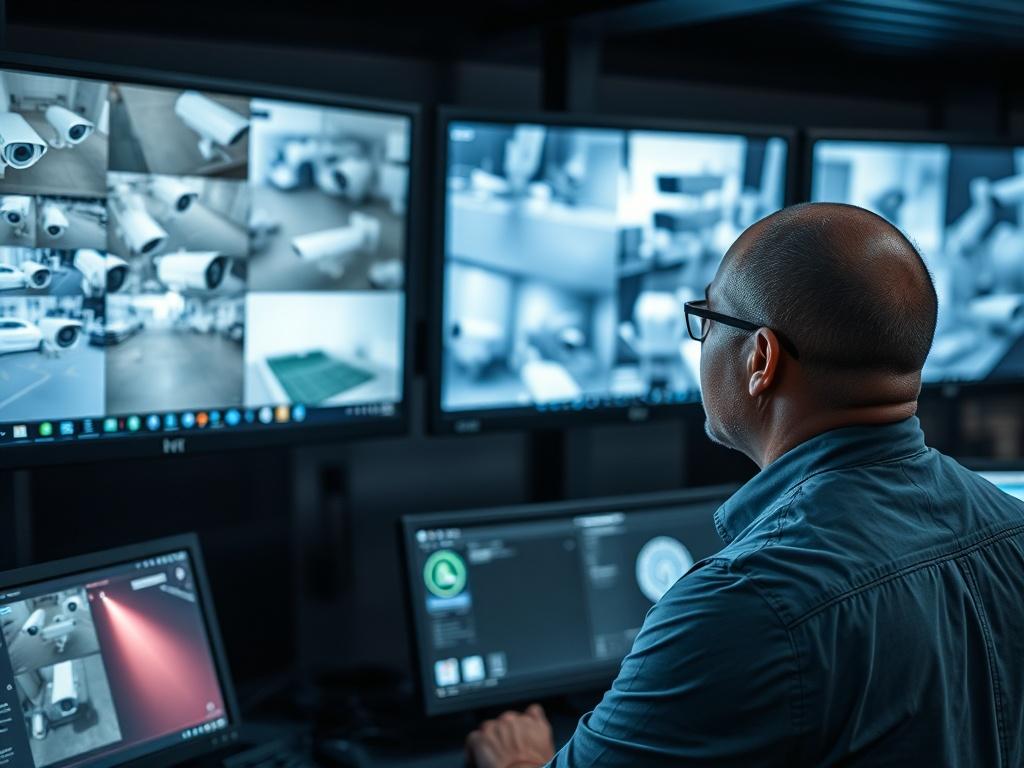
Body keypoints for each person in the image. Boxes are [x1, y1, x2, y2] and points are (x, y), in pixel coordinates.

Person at [465, 202, 1024, 767]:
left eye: (708, 319)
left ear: (761, 358)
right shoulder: (1014, 529)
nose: (701, 340)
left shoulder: (746, 603)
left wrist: (517, 761)